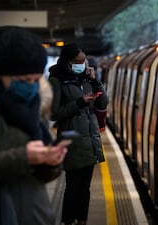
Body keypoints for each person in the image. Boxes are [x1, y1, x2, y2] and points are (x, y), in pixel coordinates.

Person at [0, 26, 67, 225]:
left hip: (34, 214)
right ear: (0, 74)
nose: (32, 86)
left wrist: (50, 162)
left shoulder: (35, 107)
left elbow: (37, 178)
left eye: (37, 79)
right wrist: (22, 158)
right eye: (25, 80)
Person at [48, 43, 108, 225]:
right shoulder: (56, 80)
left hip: (90, 141)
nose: (81, 64)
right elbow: (53, 113)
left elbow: (103, 103)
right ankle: (68, 221)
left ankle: (82, 221)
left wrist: (95, 80)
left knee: (85, 188)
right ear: (67, 62)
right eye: (77, 61)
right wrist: (79, 103)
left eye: (83, 61)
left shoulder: (87, 80)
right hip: (72, 142)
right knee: (73, 187)